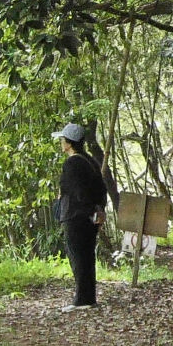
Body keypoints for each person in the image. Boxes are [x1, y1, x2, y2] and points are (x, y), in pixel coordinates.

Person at [52, 122, 108, 312]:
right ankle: (88, 297)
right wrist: (98, 209)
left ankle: (82, 300)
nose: (61, 143)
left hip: (75, 216)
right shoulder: (89, 160)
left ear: (69, 143)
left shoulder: (72, 163)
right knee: (87, 257)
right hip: (89, 217)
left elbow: (77, 191)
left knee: (78, 258)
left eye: (63, 140)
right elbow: (101, 189)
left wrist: (85, 207)